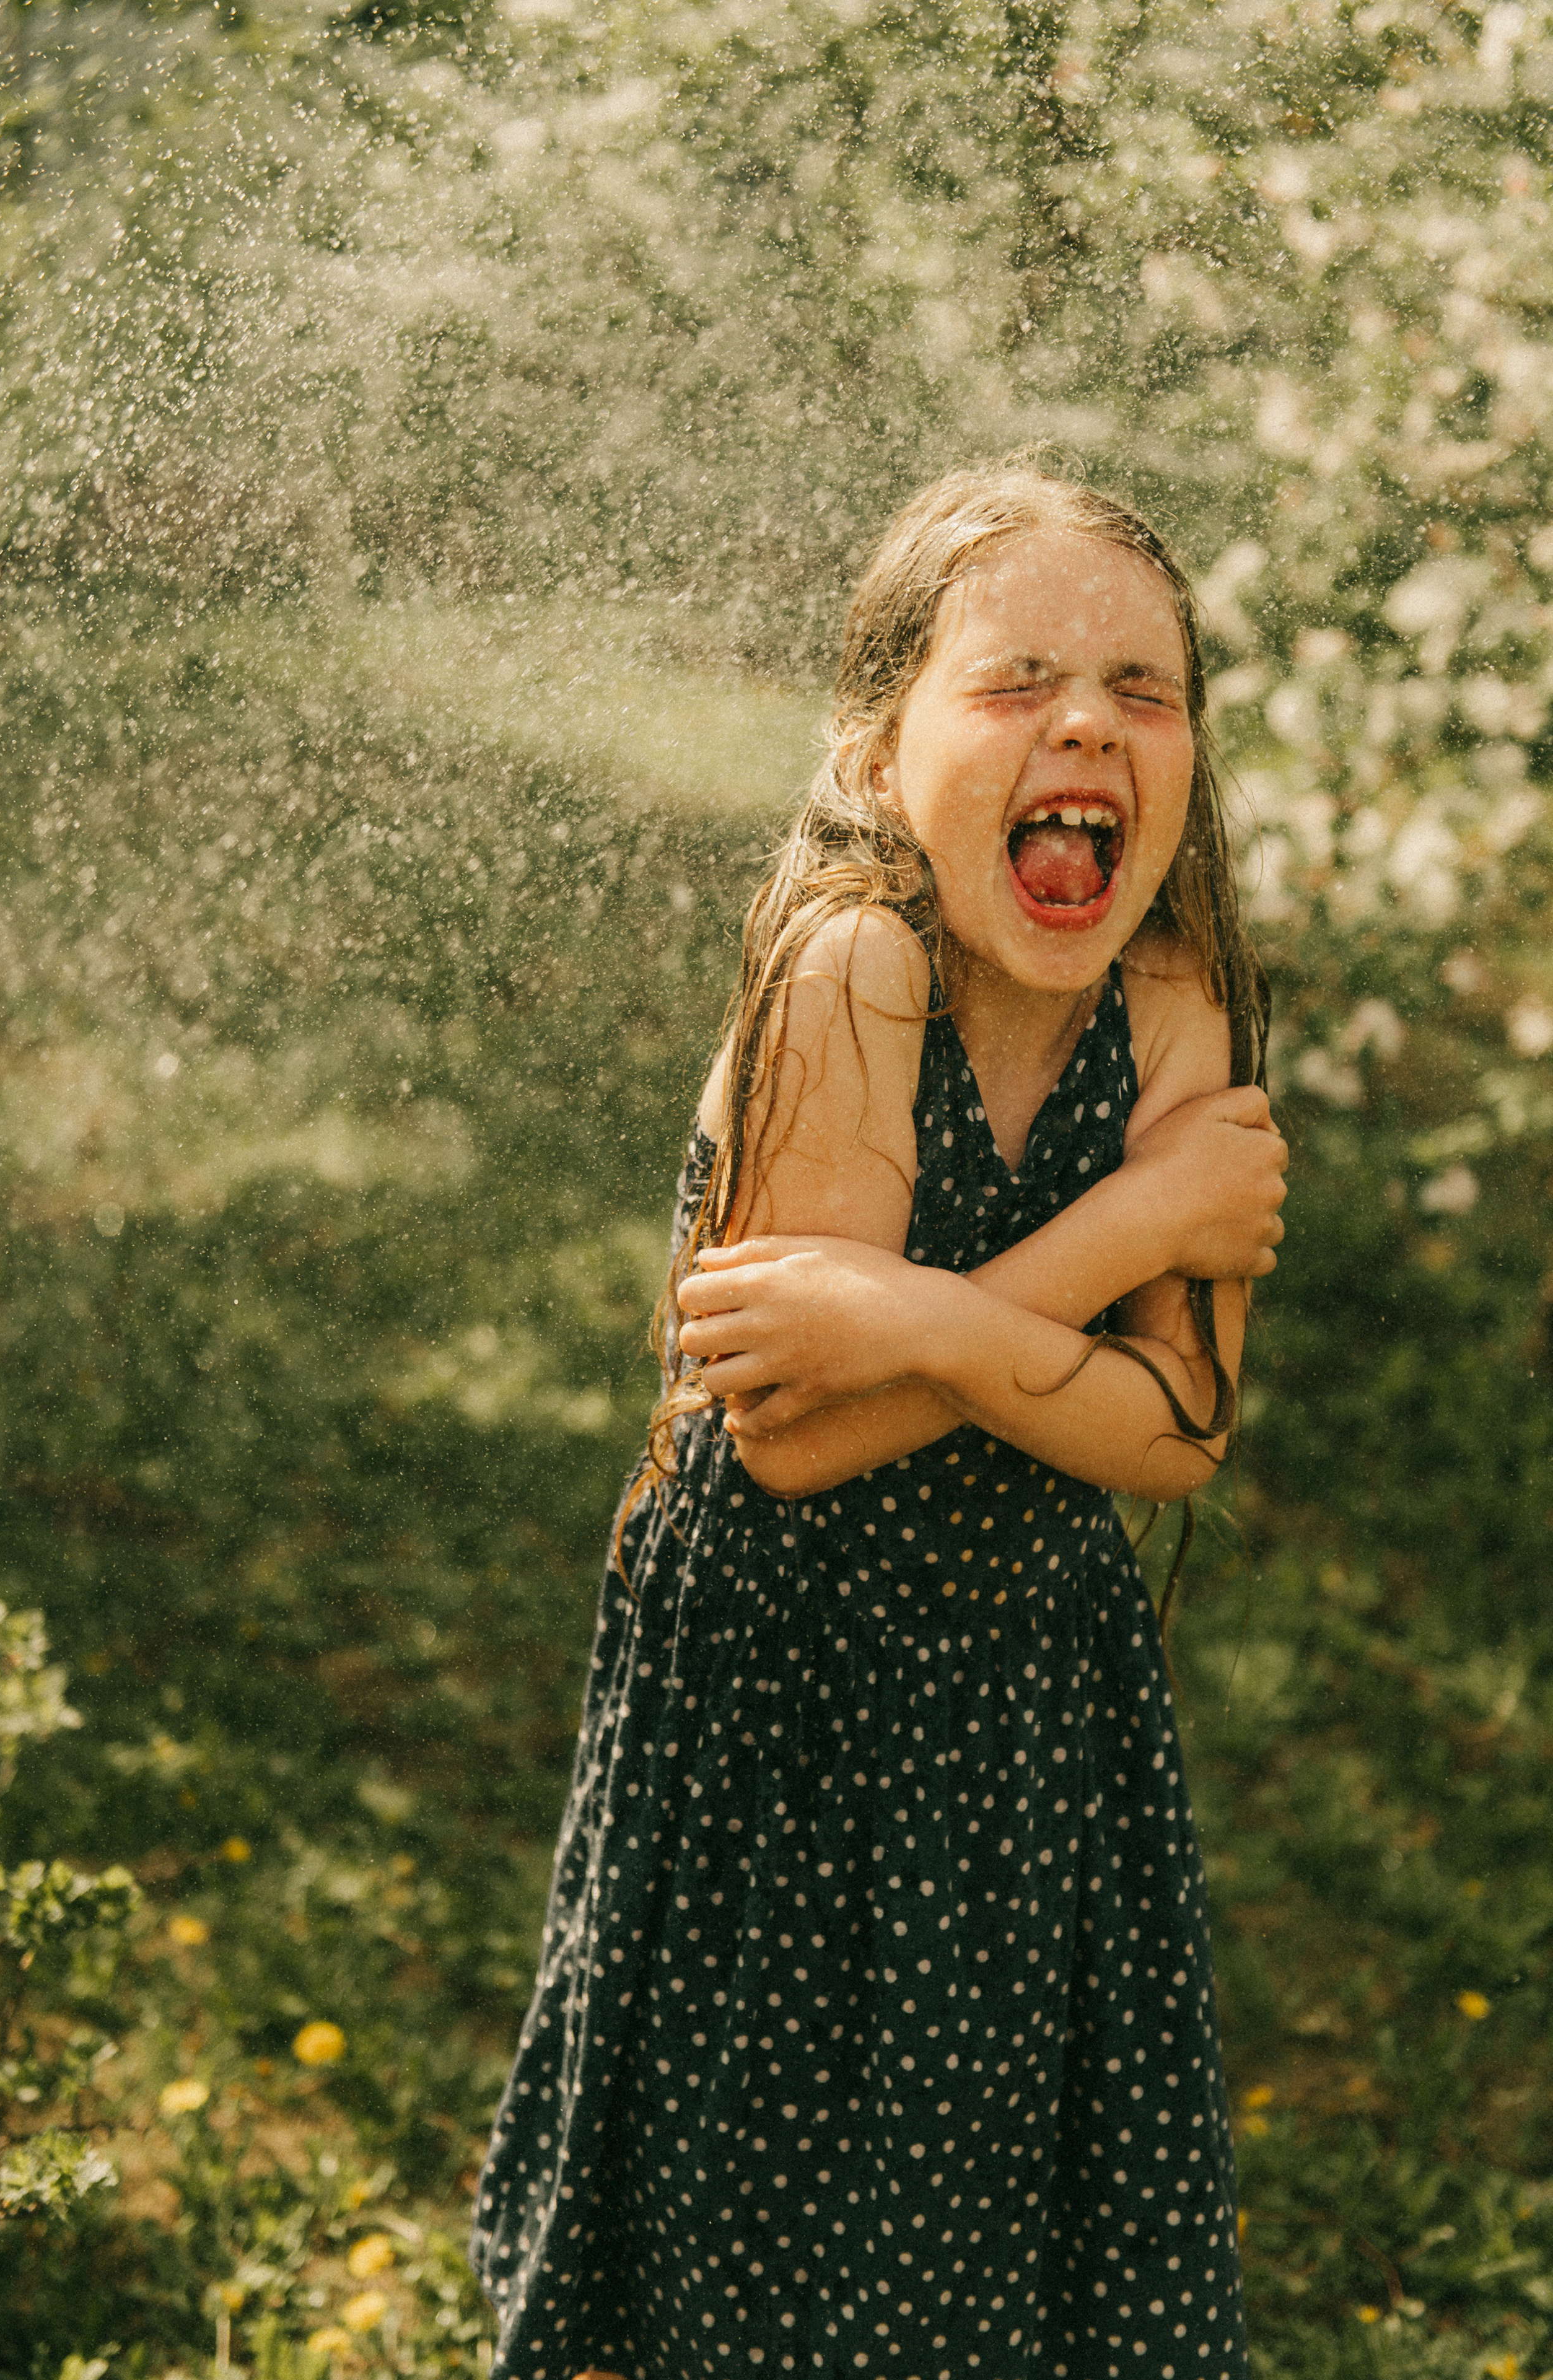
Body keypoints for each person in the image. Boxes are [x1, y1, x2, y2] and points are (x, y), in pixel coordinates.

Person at [470, 460, 1287, 2380]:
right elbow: (797, 1442)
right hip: (785, 1676)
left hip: (1024, 1692)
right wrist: (1124, 1238)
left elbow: (1180, 1430)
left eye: (1140, 691)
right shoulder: (852, 968)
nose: (1085, 721)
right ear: (874, 741)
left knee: (991, 2168)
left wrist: (910, 1312)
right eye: (1014, 680)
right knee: (749, 2183)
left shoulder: (1179, 1008)